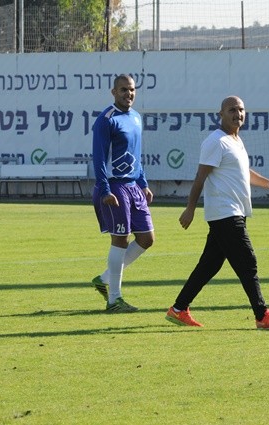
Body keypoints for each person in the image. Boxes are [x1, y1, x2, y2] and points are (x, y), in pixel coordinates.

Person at [165, 95, 269, 330]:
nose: (238, 114)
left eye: (241, 109)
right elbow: (200, 177)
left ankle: (178, 309)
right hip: (225, 213)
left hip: (233, 211)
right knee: (248, 261)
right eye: (232, 110)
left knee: (209, 265)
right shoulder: (216, 141)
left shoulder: (235, 140)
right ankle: (262, 314)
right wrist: (190, 208)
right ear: (221, 114)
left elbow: (244, 172)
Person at [91, 74, 155, 313]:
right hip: (114, 186)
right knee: (120, 239)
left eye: (132, 90)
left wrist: (143, 183)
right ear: (114, 92)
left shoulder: (136, 117)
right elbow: (98, 158)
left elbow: (136, 155)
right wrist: (105, 189)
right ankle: (114, 300)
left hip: (133, 186)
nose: (129, 94)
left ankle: (104, 279)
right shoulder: (106, 120)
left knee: (147, 238)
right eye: (123, 90)